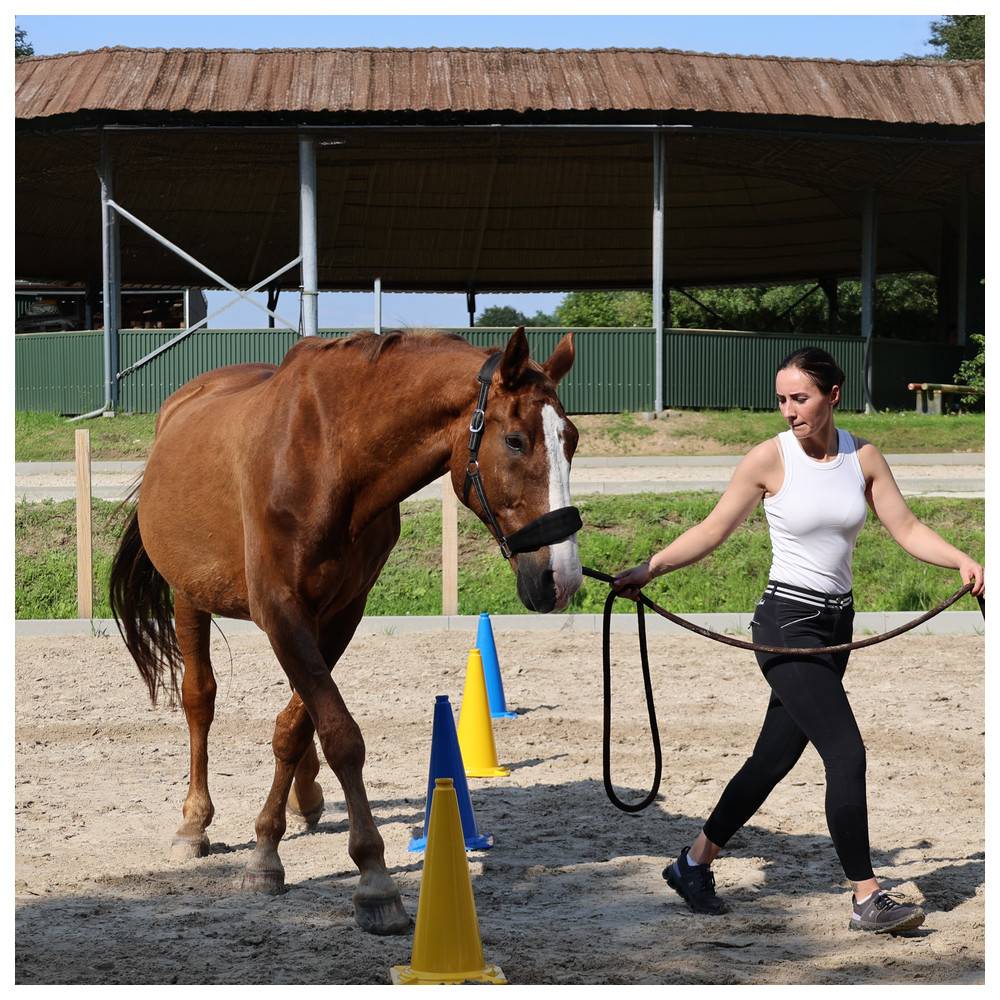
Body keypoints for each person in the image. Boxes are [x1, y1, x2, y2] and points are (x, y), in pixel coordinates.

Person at [612, 347, 985, 934]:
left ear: (833, 395)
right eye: (782, 399)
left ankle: (692, 863)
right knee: (846, 751)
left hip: (836, 629)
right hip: (786, 624)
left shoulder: (862, 457)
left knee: (772, 759)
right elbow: (714, 528)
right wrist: (649, 569)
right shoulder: (769, 460)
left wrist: (961, 560)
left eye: (800, 398)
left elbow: (906, 527)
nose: (789, 410)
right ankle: (866, 896)